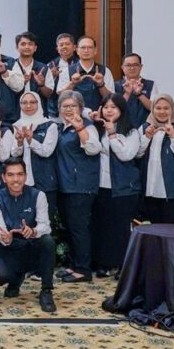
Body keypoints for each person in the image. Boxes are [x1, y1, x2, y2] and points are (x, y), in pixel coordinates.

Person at [0, 158, 56, 313]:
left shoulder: (38, 195)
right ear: (4, 178)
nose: (16, 179)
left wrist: (33, 231)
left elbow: (45, 226)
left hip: (31, 246)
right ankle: (15, 279)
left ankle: (46, 290)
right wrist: (5, 237)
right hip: (10, 248)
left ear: (25, 176)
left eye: (20, 174)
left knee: (47, 241)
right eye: (11, 175)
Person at [54, 90, 102, 284]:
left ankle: (83, 269)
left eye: (73, 106)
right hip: (65, 185)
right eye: (65, 106)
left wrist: (80, 128)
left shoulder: (88, 126)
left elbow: (94, 149)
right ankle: (73, 265)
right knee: (70, 227)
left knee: (79, 228)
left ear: (81, 108)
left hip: (81, 186)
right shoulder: (61, 128)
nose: (68, 109)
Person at [90, 94, 141, 278]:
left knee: (121, 228)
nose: (109, 110)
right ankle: (104, 263)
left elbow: (126, 155)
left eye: (113, 107)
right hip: (100, 185)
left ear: (122, 109)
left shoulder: (131, 131)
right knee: (102, 226)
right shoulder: (97, 128)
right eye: (106, 107)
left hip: (123, 187)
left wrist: (112, 134)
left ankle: (123, 265)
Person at [137, 94, 174, 224]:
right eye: (158, 108)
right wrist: (147, 137)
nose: (162, 112)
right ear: (152, 109)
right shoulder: (144, 128)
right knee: (153, 230)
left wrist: (173, 135)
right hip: (150, 191)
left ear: (172, 110)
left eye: (166, 108)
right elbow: (138, 155)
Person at [10, 92, 60, 221]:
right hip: (24, 181)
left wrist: (30, 140)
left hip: (45, 180)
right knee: (25, 220)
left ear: (39, 104)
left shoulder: (50, 125)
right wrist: (19, 142)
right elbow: (15, 154)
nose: (28, 106)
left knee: (45, 221)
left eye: (32, 102)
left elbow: (46, 152)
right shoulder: (17, 125)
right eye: (24, 103)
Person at [60, 36, 114, 113]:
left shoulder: (105, 71)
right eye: (83, 47)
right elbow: (61, 97)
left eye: (90, 47)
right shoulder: (67, 71)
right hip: (74, 115)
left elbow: (110, 98)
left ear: (95, 50)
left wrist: (101, 84)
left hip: (98, 115)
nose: (86, 50)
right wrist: (72, 83)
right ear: (77, 50)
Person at [114, 53, 156, 128]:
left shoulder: (150, 84)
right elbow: (113, 110)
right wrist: (127, 93)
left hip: (145, 129)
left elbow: (155, 108)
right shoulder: (115, 85)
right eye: (128, 65)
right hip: (121, 129)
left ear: (141, 67)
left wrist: (139, 94)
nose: (132, 68)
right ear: (122, 67)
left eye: (135, 65)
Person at [13, 32, 51, 104]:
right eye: (23, 44)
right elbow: (6, 94)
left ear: (35, 48)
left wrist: (41, 85)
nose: (27, 47)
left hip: (38, 109)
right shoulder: (11, 67)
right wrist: (21, 83)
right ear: (17, 48)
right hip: (15, 109)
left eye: (30, 44)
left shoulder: (44, 68)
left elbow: (48, 94)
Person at [45, 33, 77, 118]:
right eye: (61, 45)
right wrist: (51, 77)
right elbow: (44, 90)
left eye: (67, 44)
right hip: (55, 111)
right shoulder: (50, 65)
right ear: (57, 49)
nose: (64, 47)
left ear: (74, 47)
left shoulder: (80, 65)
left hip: (77, 109)